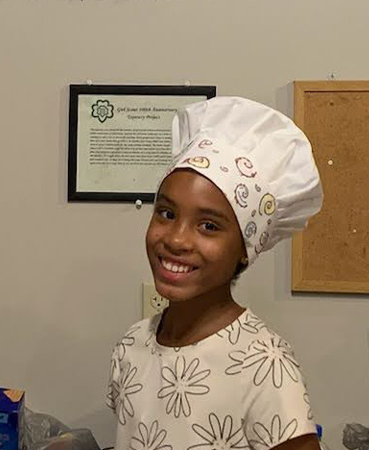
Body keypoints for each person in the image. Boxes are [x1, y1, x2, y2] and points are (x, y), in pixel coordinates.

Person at [107, 97, 325, 450]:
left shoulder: (264, 365)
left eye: (208, 226)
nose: (177, 239)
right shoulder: (132, 345)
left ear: (245, 249)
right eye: (166, 213)